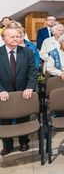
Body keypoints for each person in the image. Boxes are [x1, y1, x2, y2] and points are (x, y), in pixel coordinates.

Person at [0, 28, 38, 156]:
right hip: (4, 94)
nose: (16, 38)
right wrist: (1, 90)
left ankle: (24, 142)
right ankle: (7, 145)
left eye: (17, 36)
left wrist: (30, 87)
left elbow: (33, 71)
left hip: (23, 92)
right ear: (3, 38)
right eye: (12, 37)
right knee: (4, 120)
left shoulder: (27, 52)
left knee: (23, 118)